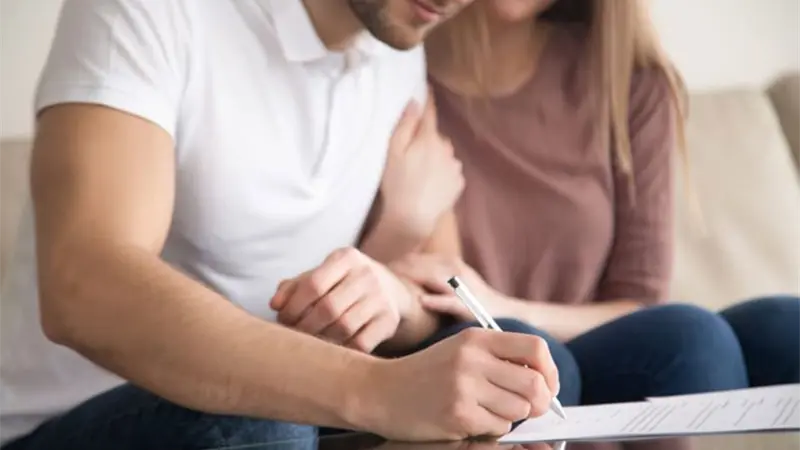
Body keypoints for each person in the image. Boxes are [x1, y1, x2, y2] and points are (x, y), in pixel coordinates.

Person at [0, 1, 566, 449]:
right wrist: (376, 389)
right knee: (262, 427)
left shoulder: (399, 44)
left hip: (299, 410)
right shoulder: (152, 11)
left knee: (529, 369)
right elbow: (86, 286)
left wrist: (392, 285)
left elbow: (440, 288)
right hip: (79, 419)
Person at [387, 0, 800, 448]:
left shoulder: (630, 82)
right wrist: (403, 222)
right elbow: (429, 282)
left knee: (773, 328)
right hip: (482, 348)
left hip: (590, 344)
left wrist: (501, 302)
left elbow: (640, 301)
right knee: (551, 356)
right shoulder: (394, 75)